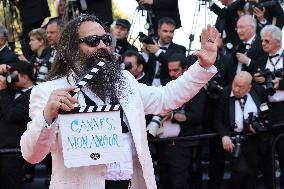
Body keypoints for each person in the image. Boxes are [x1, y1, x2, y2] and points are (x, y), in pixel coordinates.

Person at [20, 15, 219, 189]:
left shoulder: (126, 82)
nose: (102, 46)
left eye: (106, 39)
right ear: (71, 48)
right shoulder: (48, 92)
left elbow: (166, 97)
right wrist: (47, 116)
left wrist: (202, 66)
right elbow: (32, 155)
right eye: (92, 41)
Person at [155, 53, 206, 189]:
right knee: (164, 182)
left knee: (179, 183)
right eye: (169, 70)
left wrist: (173, 115)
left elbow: (196, 116)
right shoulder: (166, 86)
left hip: (182, 144)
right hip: (162, 143)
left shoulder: (195, 89)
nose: (172, 73)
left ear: (185, 69)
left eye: (175, 70)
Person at [215, 71, 271, 189]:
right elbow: (218, 119)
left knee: (252, 174)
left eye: (241, 87)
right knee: (240, 172)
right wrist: (224, 136)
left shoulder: (258, 91)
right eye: (234, 84)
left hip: (254, 140)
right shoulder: (225, 93)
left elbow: (266, 113)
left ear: (249, 87)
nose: (235, 89)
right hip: (235, 140)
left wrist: (260, 125)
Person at [254, 24, 284, 188]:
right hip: (265, 110)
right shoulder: (260, 60)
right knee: (265, 155)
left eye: (267, 41)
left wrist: (280, 84)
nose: (263, 44)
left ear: (277, 42)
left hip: (283, 110)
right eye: (262, 40)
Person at [0, 60, 34, 189]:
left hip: (14, 151)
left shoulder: (33, 94)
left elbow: (11, 115)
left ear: (24, 77)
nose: (10, 79)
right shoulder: (11, 92)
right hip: (4, 148)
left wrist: (3, 91)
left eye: (13, 75)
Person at [142, 17, 186, 86]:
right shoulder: (150, 44)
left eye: (171, 31)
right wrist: (145, 54)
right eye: (165, 31)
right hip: (147, 85)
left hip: (168, 87)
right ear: (158, 31)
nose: (169, 34)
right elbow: (141, 68)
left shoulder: (180, 49)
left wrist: (158, 52)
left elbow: (174, 65)